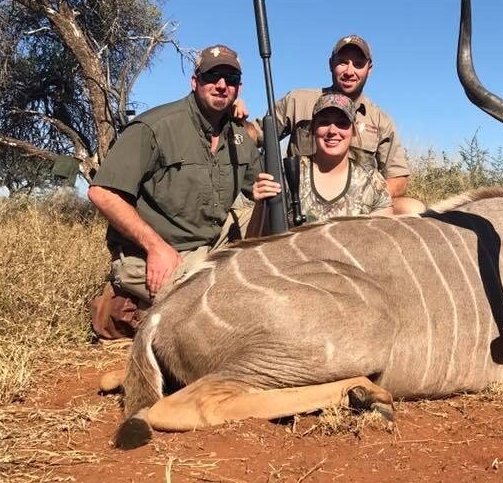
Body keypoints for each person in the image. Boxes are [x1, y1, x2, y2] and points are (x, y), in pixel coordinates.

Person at [87, 44, 262, 338]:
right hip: (156, 253)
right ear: (195, 81)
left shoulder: (239, 137)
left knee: (269, 231)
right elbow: (102, 193)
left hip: (208, 245)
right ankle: (125, 307)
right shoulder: (155, 126)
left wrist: (265, 193)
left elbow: (257, 189)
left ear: (238, 87)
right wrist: (155, 247)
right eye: (212, 76)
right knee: (216, 310)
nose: (221, 85)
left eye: (230, 79)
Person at [246, 34, 426, 215]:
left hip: (359, 209)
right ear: (331, 64)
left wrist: (361, 198)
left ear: (369, 69)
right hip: (303, 203)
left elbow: (398, 178)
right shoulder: (298, 101)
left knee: (412, 208)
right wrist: (231, 114)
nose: (349, 71)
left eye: (358, 64)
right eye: (342, 62)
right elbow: (256, 134)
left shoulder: (380, 120)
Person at [252, 92, 393, 221]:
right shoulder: (287, 177)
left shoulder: (373, 182)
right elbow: (256, 239)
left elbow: (380, 242)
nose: (332, 130)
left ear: (353, 130)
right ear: (313, 128)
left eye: (342, 123)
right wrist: (260, 205)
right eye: (324, 122)